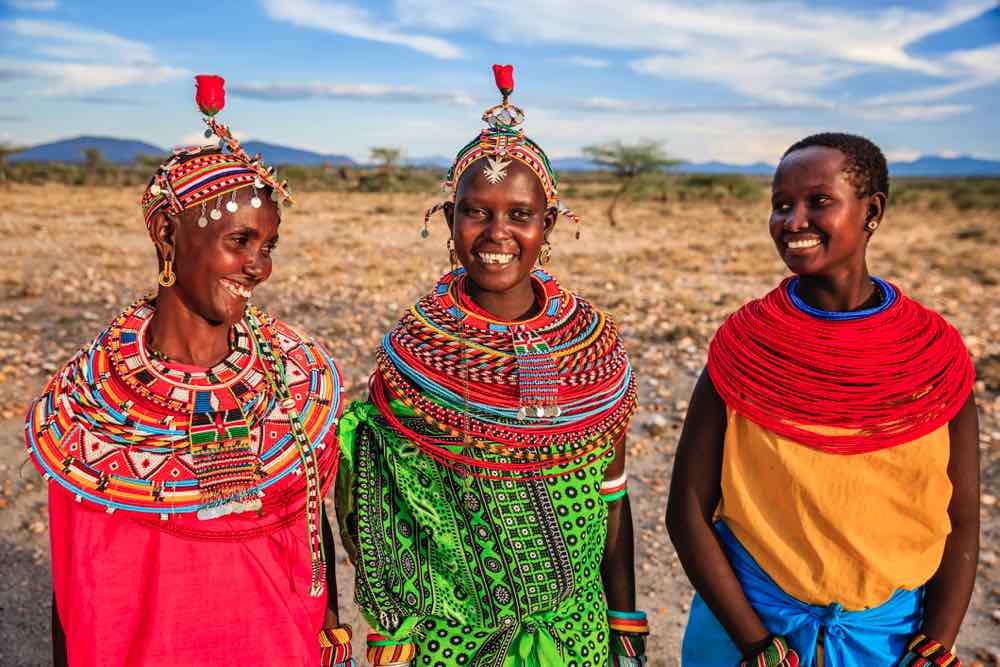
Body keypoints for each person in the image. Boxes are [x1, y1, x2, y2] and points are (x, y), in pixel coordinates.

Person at [24, 75, 354, 667]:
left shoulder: (296, 378)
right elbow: (79, 587)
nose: (259, 267)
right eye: (240, 241)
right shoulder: (87, 407)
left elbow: (312, 530)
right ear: (167, 234)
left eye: (269, 245)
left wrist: (328, 631)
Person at [335, 64, 648, 667]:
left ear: (547, 225)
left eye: (519, 215)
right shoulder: (414, 355)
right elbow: (383, 501)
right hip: (449, 644)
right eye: (477, 212)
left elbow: (613, 497)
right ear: (450, 222)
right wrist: (395, 628)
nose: (497, 233)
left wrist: (624, 625)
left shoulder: (592, 351)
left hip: (575, 636)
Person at [666, 132, 979, 667]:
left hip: (888, 643)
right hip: (748, 632)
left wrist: (938, 643)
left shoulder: (932, 357)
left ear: (872, 211)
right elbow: (686, 512)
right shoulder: (746, 346)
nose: (793, 221)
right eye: (781, 205)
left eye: (819, 201)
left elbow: (962, 515)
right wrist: (756, 646)